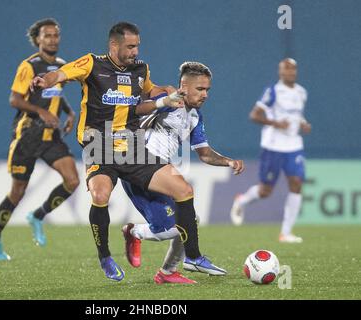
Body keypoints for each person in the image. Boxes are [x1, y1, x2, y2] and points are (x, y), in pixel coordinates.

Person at [33, 21, 224, 282]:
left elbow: (150, 90)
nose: (135, 51)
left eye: (137, 46)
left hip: (133, 149)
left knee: (184, 190)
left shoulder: (140, 70)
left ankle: (193, 258)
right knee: (100, 195)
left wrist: (165, 93)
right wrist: (45, 80)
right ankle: (105, 258)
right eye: (130, 46)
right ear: (114, 45)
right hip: (99, 145)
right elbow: (62, 74)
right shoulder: (92, 64)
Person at [121, 61, 245, 284]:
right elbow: (137, 112)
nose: (205, 94)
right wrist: (160, 103)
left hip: (157, 172)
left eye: (207, 89)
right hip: (138, 162)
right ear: (184, 87)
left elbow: (205, 154)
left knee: (187, 221)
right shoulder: (170, 102)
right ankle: (193, 257)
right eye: (200, 89)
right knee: (185, 201)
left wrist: (228, 162)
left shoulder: (195, 116)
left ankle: (165, 269)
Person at [0, 18, 80, 260]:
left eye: (56, 35)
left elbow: (54, 93)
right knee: (18, 191)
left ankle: (38, 215)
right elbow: (14, 99)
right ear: (38, 39)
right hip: (27, 134)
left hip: (51, 137)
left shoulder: (60, 65)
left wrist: (69, 112)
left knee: (73, 180)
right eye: (47, 35)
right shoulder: (29, 66)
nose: (52, 39)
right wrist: (41, 111)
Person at [230, 58, 311, 243]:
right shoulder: (273, 91)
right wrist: (275, 123)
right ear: (280, 72)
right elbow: (254, 115)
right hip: (273, 145)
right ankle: (241, 200)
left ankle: (286, 232)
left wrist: (303, 124)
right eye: (286, 69)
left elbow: (297, 116)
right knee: (266, 191)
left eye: (293, 69)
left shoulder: (301, 92)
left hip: (294, 145)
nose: (290, 72)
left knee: (296, 184)